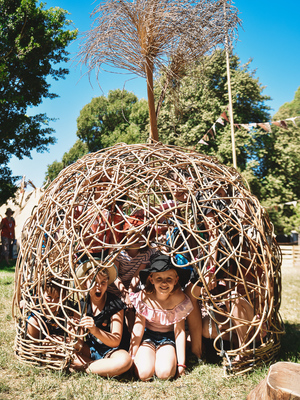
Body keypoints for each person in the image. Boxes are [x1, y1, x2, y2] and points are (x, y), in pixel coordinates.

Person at [129, 253, 193, 381]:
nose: (164, 283)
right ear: (151, 279)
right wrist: (132, 356)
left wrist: (181, 364)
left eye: (169, 279)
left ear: (176, 280)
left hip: (167, 339)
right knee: (144, 374)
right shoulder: (144, 296)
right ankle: (149, 357)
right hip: (148, 337)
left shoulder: (178, 299)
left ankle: (164, 358)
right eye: (159, 278)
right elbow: (138, 328)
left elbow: (179, 332)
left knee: (165, 374)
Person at [70, 260, 132, 377]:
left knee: (125, 361)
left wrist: (94, 330)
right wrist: (74, 332)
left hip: (112, 352)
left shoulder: (115, 304)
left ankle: (83, 369)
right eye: (94, 282)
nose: (99, 286)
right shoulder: (80, 306)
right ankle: (101, 368)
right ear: (85, 284)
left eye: (103, 282)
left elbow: (115, 341)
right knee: (64, 351)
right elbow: (79, 345)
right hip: (89, 351)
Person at [108, 212, 157, 330]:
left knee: (132, 308)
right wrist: (124, 293)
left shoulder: (146, 252)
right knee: (118, 308)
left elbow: (137, 275)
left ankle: (132, 335)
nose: (137, 238)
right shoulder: (118, 250)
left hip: (131, 287)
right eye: (133, 234)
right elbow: (114, 275)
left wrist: (130, 294)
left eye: (141, 235)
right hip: (114, 287)